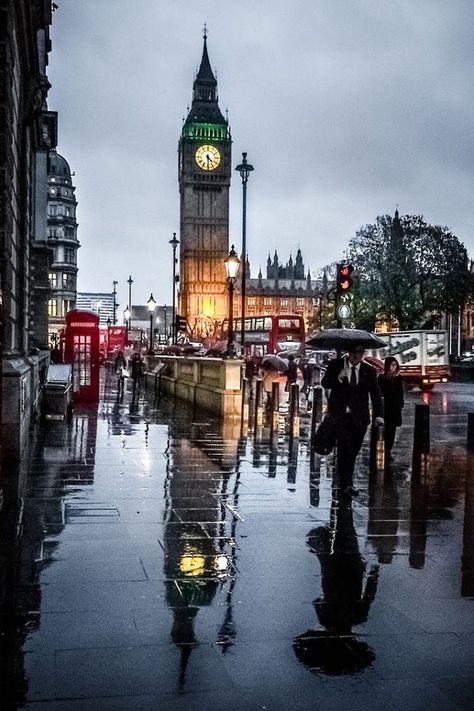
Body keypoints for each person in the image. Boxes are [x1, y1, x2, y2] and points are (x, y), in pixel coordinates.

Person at [321, 345, 383, 497]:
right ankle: (346, 483)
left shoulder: (369, 371)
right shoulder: (336, 365)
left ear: (363, 354)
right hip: (340, 418)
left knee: (353, 452)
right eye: (353, 352)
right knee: (345, 449)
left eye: (359, 353)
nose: (356, 356)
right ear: (349, 353)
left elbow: (376, 394)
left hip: (359, 419)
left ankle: (346, 480)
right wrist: (338, 377)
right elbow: (325, 383)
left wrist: (379, 416)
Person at [378, 356, 404, 461]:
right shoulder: (382, 378)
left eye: (395, 365)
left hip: (395, 408)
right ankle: (383, 451)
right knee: (385, 431)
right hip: (386, 407)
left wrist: (401, 404)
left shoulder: (398, 378)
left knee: (392, 430)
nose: (394, 367)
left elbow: (400, 393)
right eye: (392, 365)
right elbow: (380, 392)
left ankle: (388, 451)